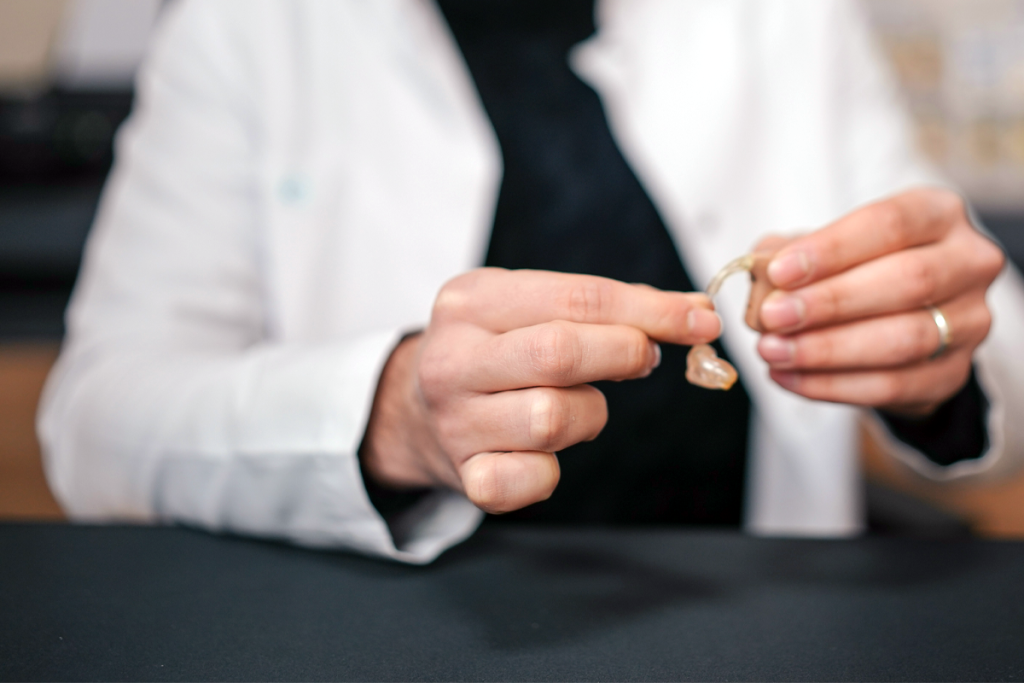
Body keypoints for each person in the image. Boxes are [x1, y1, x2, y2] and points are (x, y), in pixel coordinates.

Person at [38, 0, 1024, 564]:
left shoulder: (783, 20)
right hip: (377, 635)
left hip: (752, 622)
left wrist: (938, 364)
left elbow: (999, 363)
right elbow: (91, 424)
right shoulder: (246, 31)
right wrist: (386, 412)